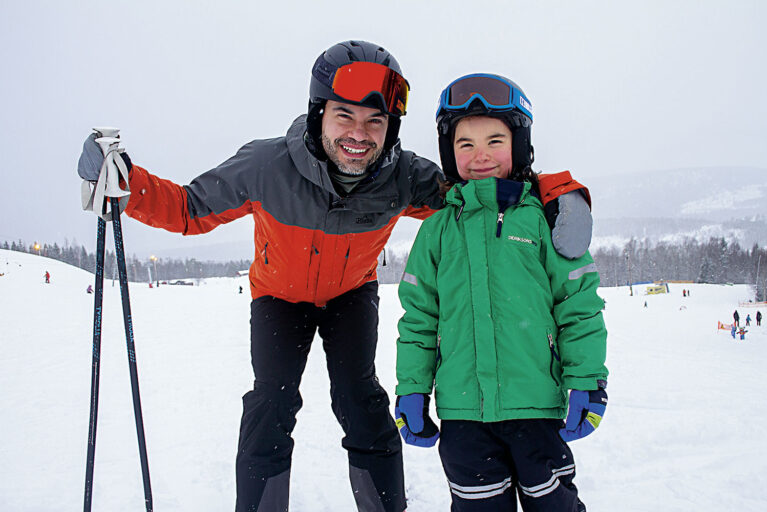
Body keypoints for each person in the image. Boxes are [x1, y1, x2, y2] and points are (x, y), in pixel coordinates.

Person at [77, 43, 593, 512]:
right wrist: (125, 184)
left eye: (375, 121)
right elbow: (189, 209)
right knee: (271, 402)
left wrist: (558, 193)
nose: (358, 134)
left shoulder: (403, 176)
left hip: (350, 294)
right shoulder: (265, 166)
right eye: (344, 116)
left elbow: (484, 189)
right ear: (319, 113)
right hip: (279, 296)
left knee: (359, 398)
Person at [394, 73, 608, 511]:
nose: (481, 156)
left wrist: (587, 380)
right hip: (463, 417)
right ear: (449, 153)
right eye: (465, 144)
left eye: (495, 140)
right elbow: (419, 318)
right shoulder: (437, 230)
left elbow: (578, 306)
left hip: (535, 409)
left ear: (520, 145)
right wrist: (412, 387)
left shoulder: (545, 221)